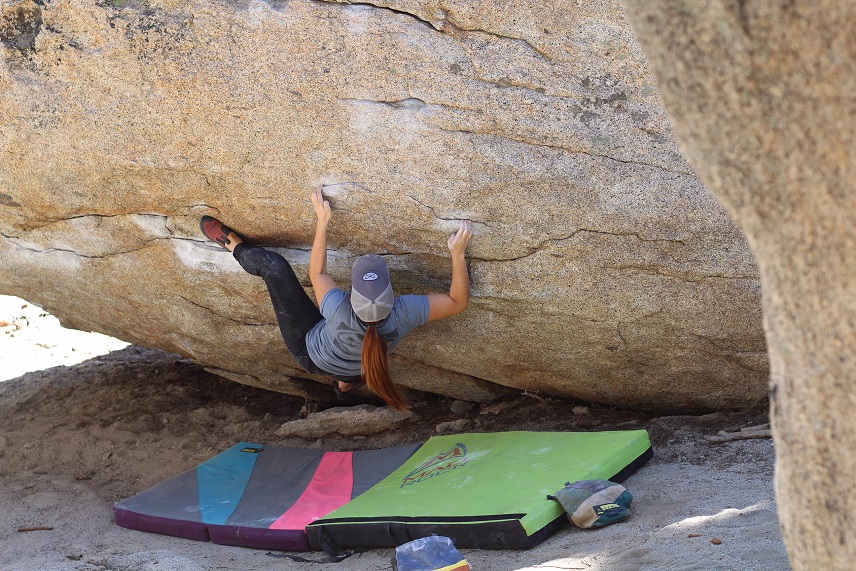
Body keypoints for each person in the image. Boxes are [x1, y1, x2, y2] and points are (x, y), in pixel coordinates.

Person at [199, 186, 473, 411]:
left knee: (275, 268)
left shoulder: (338, 307)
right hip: (355, 357)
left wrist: (322, 221)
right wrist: (457, 254)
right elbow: (457, 302)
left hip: (310, 353)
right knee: (360, 356)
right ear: (392, 296)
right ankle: (345, 386)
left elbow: (317, 271)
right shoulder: (404, 312)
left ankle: (233, 245)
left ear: (351, 297)